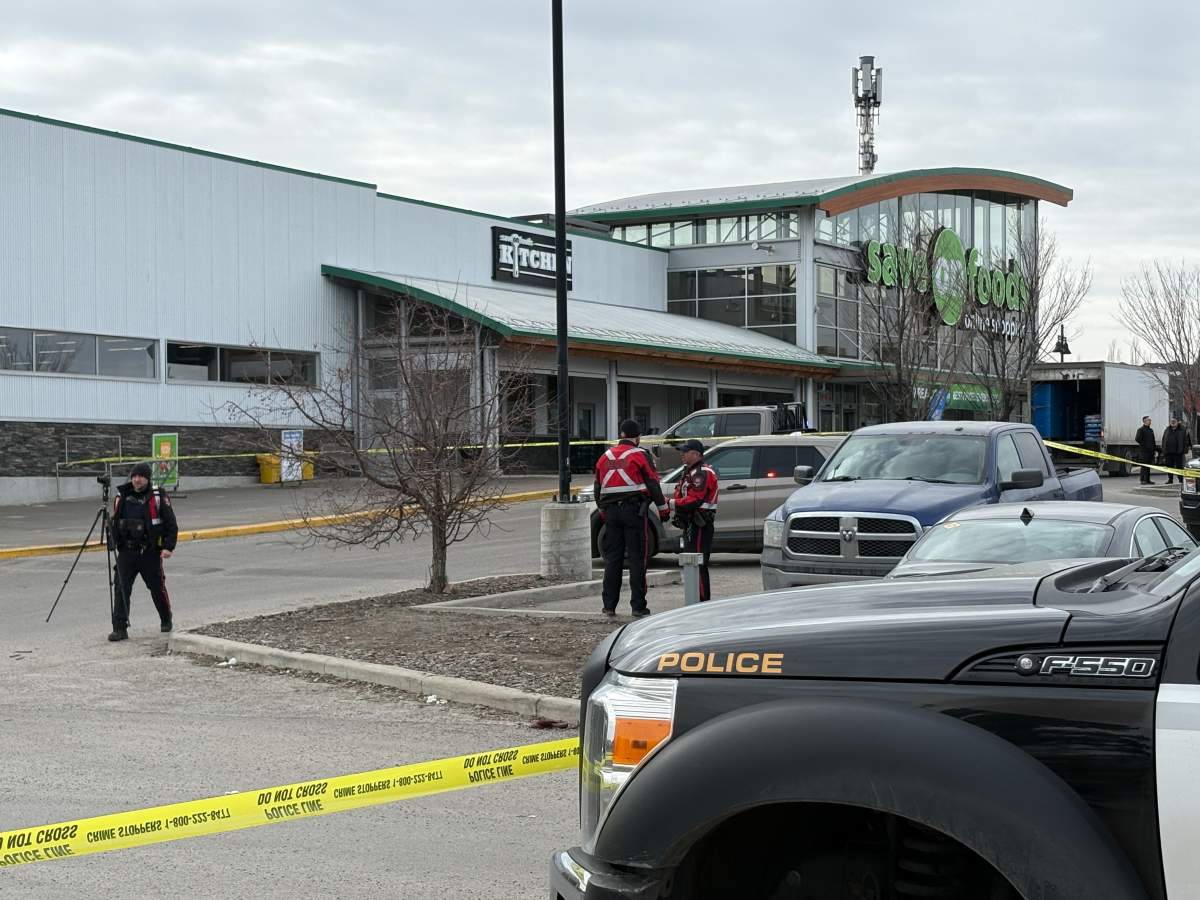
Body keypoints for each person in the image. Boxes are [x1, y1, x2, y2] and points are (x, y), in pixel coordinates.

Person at [594, 419, 668, 618]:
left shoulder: (605, 456)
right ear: (637, 437)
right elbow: (652, 483)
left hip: (611, 514)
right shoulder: (640, 454)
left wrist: (603, 511)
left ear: (621, 435)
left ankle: (609, 605)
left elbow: (597, 488)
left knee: (612, 560)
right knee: (637, 559)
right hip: (634, 512)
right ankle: (638, 606)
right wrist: (663, 509)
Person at [108, 461, 178, 641]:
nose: (137, 480)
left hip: (149, 552)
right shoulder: (122, 496)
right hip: (127, 552)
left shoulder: (157, 496)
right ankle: (120, 628)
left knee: (156, 588)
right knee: (121, 589)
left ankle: (165, 618)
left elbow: (171, 524)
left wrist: (168, 547)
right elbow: (115, 522)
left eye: (141, 476)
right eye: (134, 476)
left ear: (147, 478)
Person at [669, 439, 719, 602]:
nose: (682, 454)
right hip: (692, 525)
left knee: (697, 564)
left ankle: (701, 601)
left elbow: (694, 500)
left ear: (696, 454)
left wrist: (670, 503)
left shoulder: (701, 473)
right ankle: (697, 600)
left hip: (699, 525)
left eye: (686, 451)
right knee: (693, 563)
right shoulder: (690, 472)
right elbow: (682, 495)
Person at [1162, 417, 1192, 485]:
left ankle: (1181, 480)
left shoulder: (1183, 430)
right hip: (1168, 452)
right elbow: (1164, 439)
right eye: (1171, 421)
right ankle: (1170, 479)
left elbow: (1187, 441)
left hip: (1178, 452)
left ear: (1178, 422)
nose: (1172, 422)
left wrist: (1185, 450)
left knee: (1179, 467)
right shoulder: (1167, 429)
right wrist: (1164, 450)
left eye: (1174, 421)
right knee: (1169, 467)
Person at [1135, 416, 1157, 485]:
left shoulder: (1151, 430)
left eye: (1150, 420)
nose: (1150, 421)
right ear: (1144, 421)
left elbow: (1153, 441)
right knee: (1144, 466)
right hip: (1144, 452)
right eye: (1148, 420)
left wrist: (1154, 449)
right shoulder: (1141, 430)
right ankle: (1142, 480)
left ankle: (1148, 480)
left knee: (1148, 466)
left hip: (1150, 452)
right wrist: (1144, 445)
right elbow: (1137, 439)